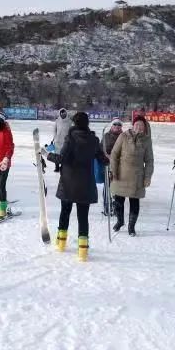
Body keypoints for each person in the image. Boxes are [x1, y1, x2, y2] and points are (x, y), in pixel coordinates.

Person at [46, 112, 108, 261]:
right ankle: (82, 251)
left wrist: (46, 154)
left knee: (65, 212)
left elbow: (61, 159)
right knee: (83, 217)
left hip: (69, 183)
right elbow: (103, 160)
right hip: (85, 185)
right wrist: (107, 159)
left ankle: (61, 244)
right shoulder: (94, 140)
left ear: (74, 123)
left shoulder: (71, 138)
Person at [110, 116, 154, 236]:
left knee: (134, 202)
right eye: (137, 124)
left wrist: (147, 177)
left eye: (141, 125)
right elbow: (114, 154)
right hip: (121, 174)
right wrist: (113, 171)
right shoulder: (123, 136)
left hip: (137, 176)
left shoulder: (146, 140)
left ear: (145, 128)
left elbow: (149, 160)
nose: (138, 127)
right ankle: (120, 221)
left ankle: (131, 226)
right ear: (133, 125)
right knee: (119, 201)